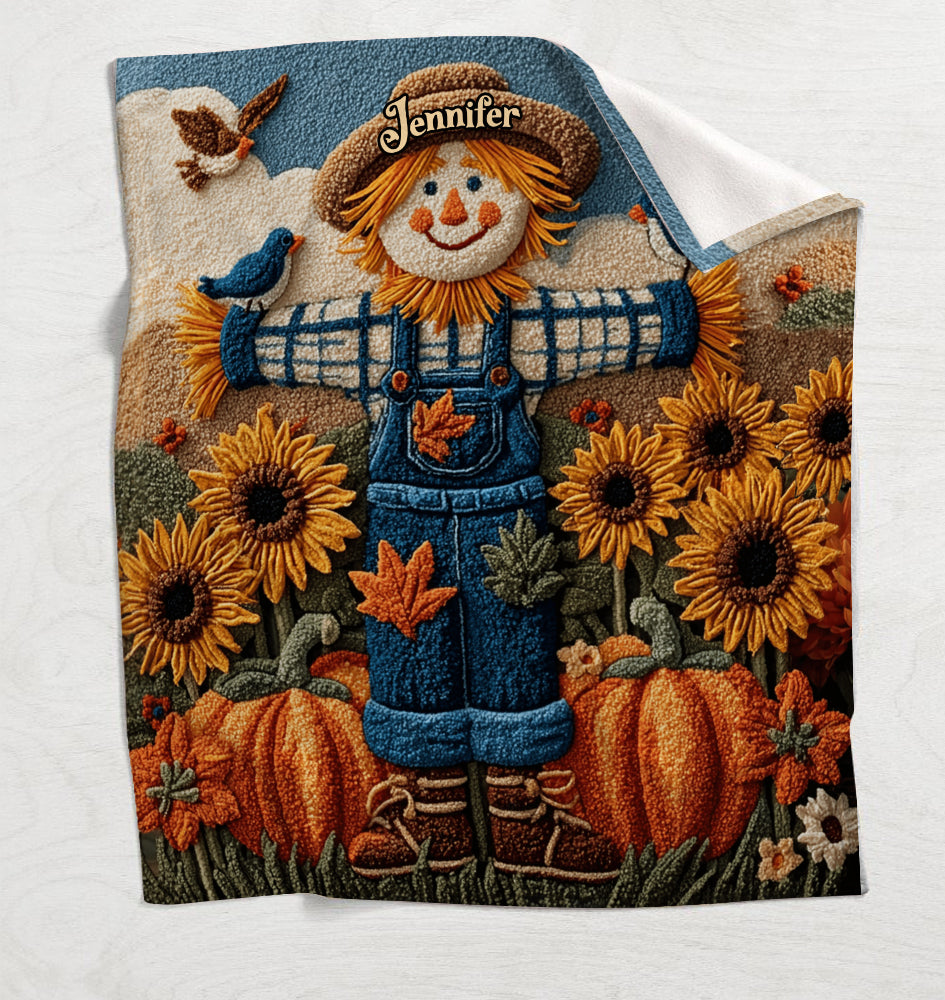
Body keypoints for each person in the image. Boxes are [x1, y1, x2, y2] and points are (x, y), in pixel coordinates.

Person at [185, 62, 740, 881]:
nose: (451, 212)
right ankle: (431, 817)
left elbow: (611, 326)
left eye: (478, 184)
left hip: (507, 534)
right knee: (410, 659)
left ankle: (522, 819)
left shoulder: (527, 326)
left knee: (515, 649)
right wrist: (240, 339)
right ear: (382, 214)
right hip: (404, 536)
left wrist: (676, 313)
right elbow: (287, 346)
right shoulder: (373, 331)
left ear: (525, 196)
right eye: (426, 191)